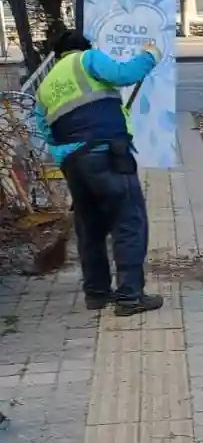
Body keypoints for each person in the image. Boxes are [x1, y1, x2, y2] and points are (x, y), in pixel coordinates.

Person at [32, 30, 164, 315]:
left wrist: (68, 155)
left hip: (73, 164)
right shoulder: (86, 60)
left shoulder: (46, 87)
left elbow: (44, 131)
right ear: (83, 47)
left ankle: (96, 294)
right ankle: (130, 296)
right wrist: (150, 56)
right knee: (129, 222)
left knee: (90, 229)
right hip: (106, 155)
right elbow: (123, 74)